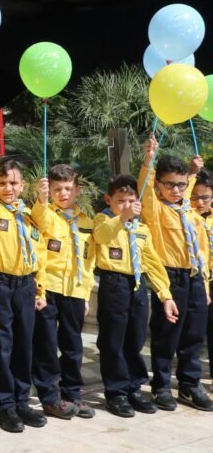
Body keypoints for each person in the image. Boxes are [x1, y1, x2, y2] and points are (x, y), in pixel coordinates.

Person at [0, 123, 49, 433]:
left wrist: (39, 288)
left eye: (14, 183)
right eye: (3, 182)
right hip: (2, 284)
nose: (8, 188)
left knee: (24, 346)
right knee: (2, 346)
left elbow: (40, 251)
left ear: (23, 186)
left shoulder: (29, 214)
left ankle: (22, 400)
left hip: (25, 285)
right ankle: (5, 404)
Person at [92, 174, 176, 418]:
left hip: (137, 285)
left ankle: (134, 387)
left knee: (136, 338)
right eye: (120, 201)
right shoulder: (103, 220)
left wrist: (165, 294)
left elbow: (152, 263)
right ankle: (116, 391)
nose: (126, 206)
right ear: (108, 199)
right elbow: (102, 236)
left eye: (131, 201)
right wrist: (122, 217)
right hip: (114, 284)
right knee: (113, 340)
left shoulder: (141, 229)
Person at [139, 135, 213, 411]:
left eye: (181, 185)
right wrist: (149, 160)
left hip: (195, 277)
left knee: (194, 334)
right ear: (159, 184)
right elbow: (145, 189)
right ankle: (161, 386)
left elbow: (202, 252)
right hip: (170, 278)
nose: (176, 190)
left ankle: (189, 385)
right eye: (169, 184)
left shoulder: (190, 211)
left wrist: (205, 287)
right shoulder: (156, 210)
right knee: (166, 333)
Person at [32, 164, 96, 420]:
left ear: (77, 189)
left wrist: (86, 293)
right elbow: (39, 219)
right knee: (46, 344)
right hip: (49, 288)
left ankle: (72, 393)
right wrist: (42, 198)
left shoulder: (87, 221)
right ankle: (49, 397)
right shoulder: (46, 213)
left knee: (73, 346)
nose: (63, 194)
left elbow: (89, 261)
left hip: (75, 290)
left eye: (68, 188)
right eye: (57, 189)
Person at [189, 168, 213, 378]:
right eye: (194, 197)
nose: (200, 202)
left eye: (205, 197)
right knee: (198, 331)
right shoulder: (188, 218)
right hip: (198, 277)